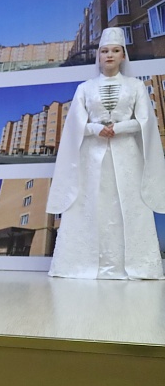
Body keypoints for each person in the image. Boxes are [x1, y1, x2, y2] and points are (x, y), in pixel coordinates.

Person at [47, 27, 165, 279]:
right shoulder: (85, 88)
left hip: (127, 157)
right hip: (92, 156)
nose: (109, 55)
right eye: (104, 51)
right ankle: (84, 263)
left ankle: (132, 265)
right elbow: (74, 125)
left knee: (128, 203)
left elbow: (145, 121)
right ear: (98, 56)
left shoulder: (135, 86)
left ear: (123, 55)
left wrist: (119, 128)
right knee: (92, 203)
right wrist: (95, 128)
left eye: (115, 50)